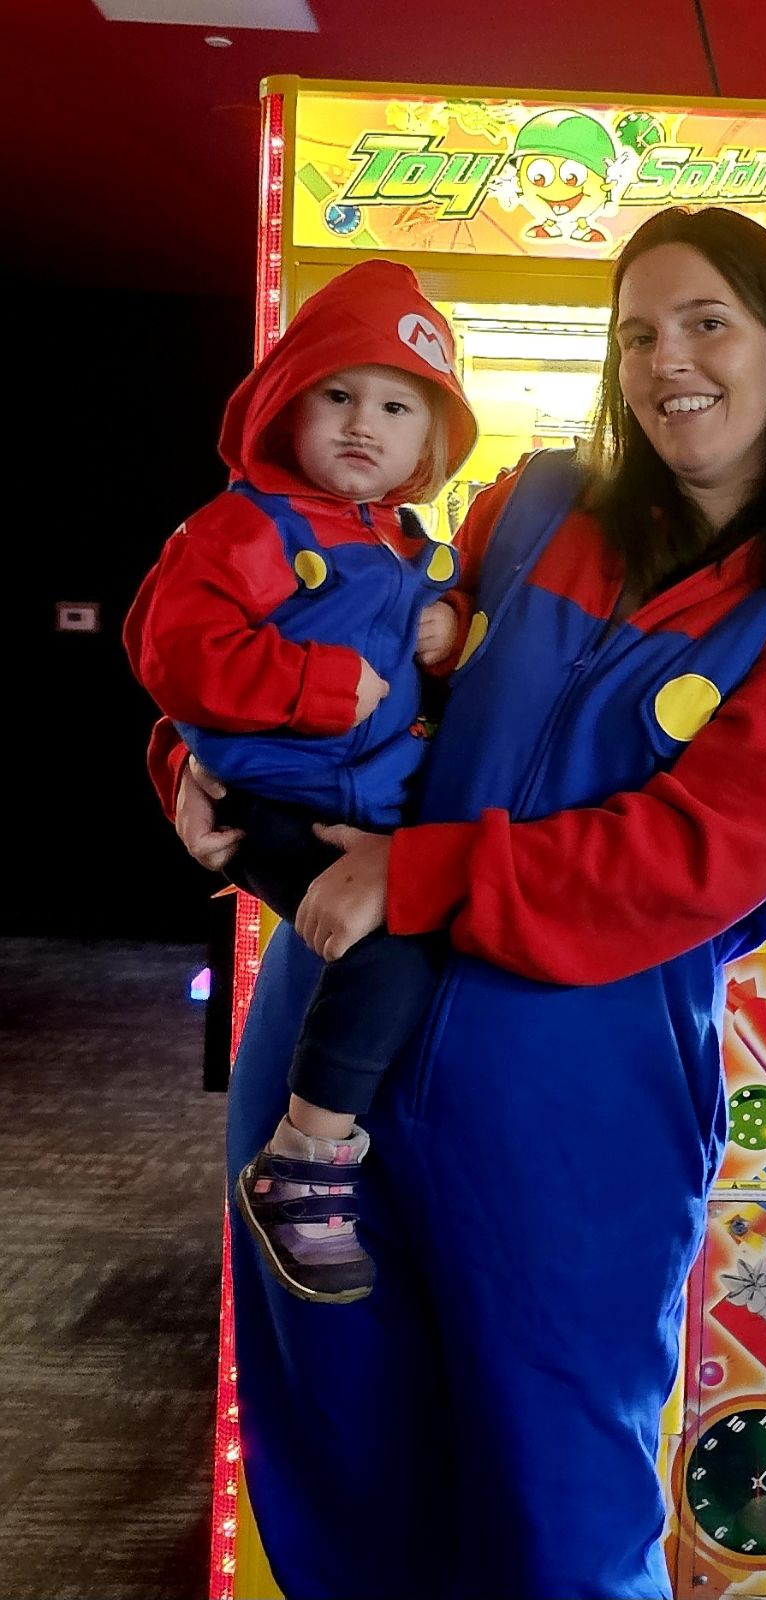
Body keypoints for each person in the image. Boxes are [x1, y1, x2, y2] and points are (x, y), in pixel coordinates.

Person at [154, 205, 766, 1598]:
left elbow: (691, 856)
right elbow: (338, 661)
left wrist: (420, 873)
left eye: (705, 323)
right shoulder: (537, 501)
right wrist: (194, 762)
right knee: (336, 1477)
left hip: (571, 1115)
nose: (664, 360)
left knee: (556, 1516)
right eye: (634, 333)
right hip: (325, 1062)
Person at [125, 260, 479, 1304]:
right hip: (277, 802)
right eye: (338, 394)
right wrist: (317, 683)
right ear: (287, 404)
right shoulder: (252, 527)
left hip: (364, 805)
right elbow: (173, 651)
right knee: (388, 948)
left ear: (430, 442)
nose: (363, 422)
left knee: (408, 945)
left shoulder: (409, 548)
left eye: (396, 404)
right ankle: (305, 1158)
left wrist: (451, 635)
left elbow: (455, 666)